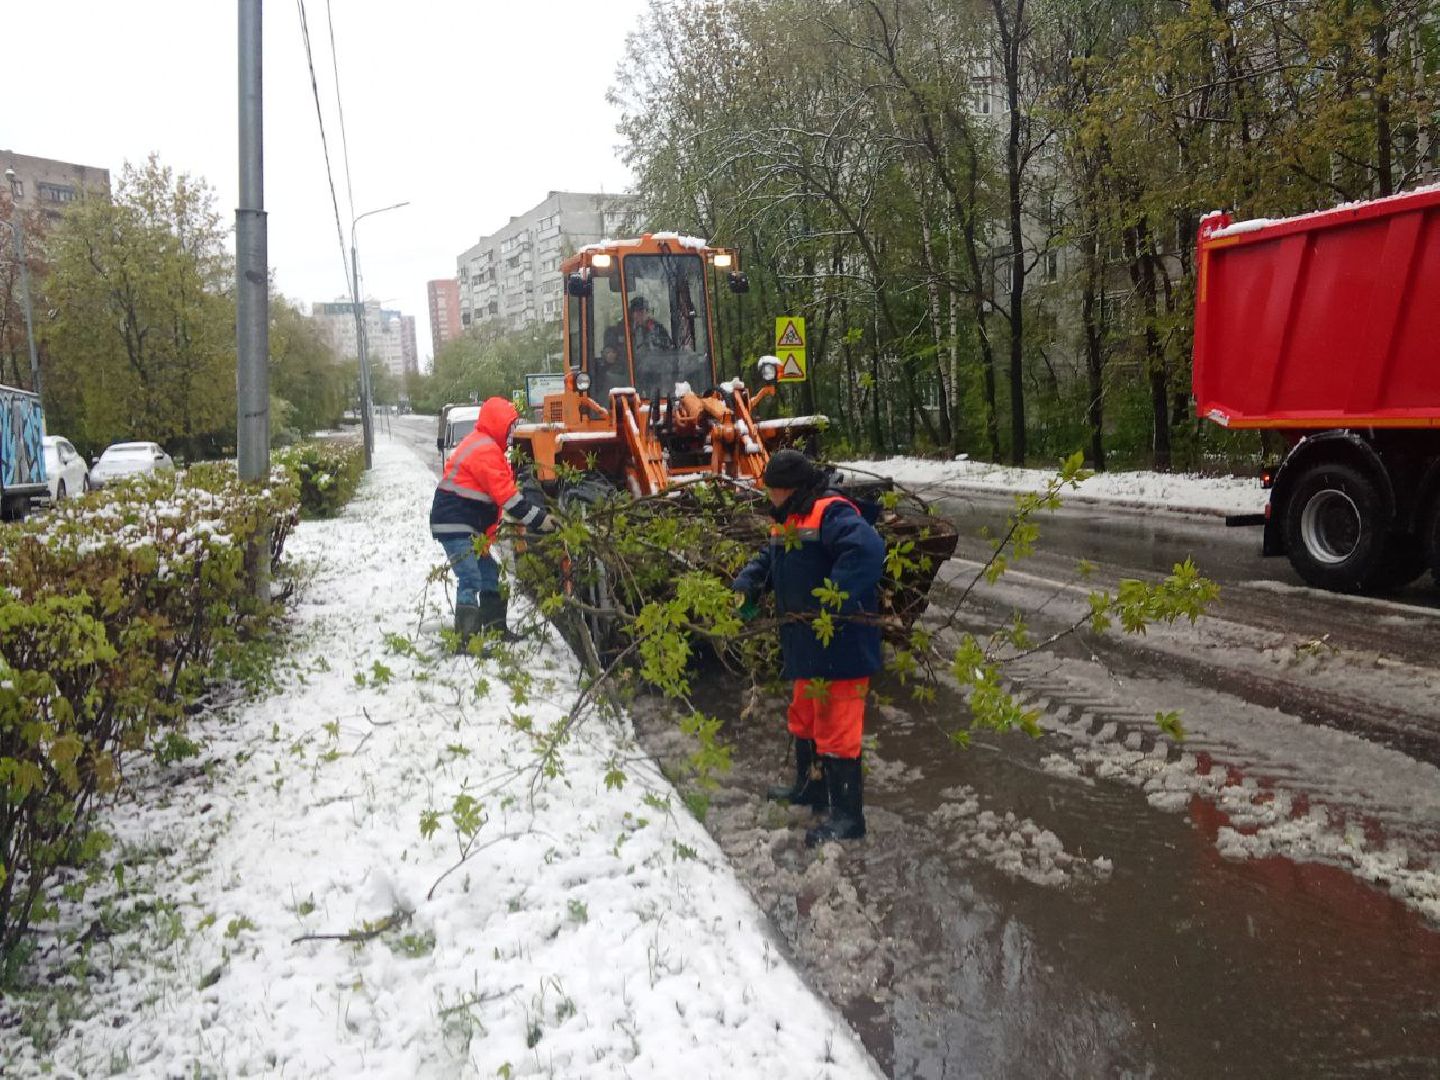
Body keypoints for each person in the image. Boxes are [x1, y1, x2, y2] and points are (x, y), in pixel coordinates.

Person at [732, 449, 887, 846]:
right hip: (808, 646)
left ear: (790, 489)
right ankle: (812, 789)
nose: (770, 499)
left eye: (774, 491)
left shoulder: (830, 512)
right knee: (804, 719)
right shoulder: (791, 519)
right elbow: (771, 557)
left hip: (841, 644)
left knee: (837, 730)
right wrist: (748, 584)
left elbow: (867, 550)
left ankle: (848, 818)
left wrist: (831, 600)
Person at [429, 396, 555, 649]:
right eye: (509, 426)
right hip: (455, 524)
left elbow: (496, 501)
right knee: (470, 578)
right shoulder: (484, 450)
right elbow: (509, 499)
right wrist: (541, 521)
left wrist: (487, 539)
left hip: (467, 525)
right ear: (498, 423)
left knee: (490, 575)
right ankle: (467, 641)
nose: (511, 432)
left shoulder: (487, 448)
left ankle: (496, 631)